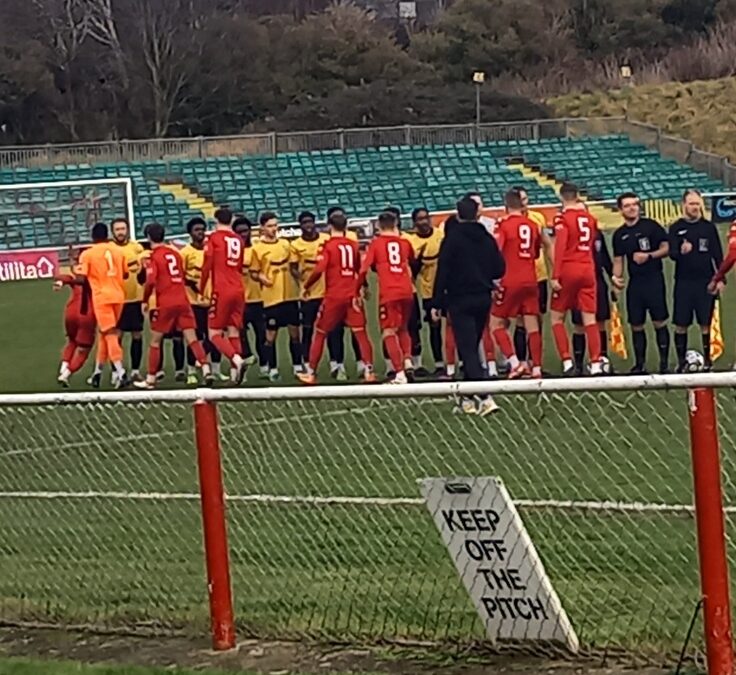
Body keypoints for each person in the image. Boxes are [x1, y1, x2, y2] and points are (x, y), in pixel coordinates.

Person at [432, 197, 505, 415]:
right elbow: (499, 269)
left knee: (468, 348)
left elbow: (442, 271)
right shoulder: (486, 238)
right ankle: (466, 399)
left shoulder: (452, 239)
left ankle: (484, 396)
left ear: (458, 213)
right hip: (482, 297)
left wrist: (436, 302)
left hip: (459, 298)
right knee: (471, 345)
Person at [297, 210, 376, 384]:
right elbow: (359, 269)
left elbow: (319, 269)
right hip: (352, 295)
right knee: (361, 334)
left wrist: (306, 286)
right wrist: (363, 286)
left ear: (329, 226)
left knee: (320, 332)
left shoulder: (328, 246)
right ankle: (369, 371)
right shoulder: (353, 245)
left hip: (334, 296)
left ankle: (311, 373)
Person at [135, 223, 213, 389]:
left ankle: (150, 379)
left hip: (166, 303)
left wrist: (145, 300)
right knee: (192, 338)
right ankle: (206, 369)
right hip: (183, 301)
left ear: (148, 237)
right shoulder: (175, 253)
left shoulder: (153, 256)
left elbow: (150, 281)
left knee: (155, 342)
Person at [612, 192, 671, 374]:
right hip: (635, 284)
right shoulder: (619, 234)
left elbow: (666, 248)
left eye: (635, 204)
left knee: (659, 322)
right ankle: (640, 365)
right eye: (628, 205)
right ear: (621, 210)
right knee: (636, 324)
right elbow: (618, 260)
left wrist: (649, 255)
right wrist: (616, 279)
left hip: (654, 280)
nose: (632, 208)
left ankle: (664, 364)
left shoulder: (650, 226)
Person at [356, 211, 415, 384]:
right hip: (407, 290)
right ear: (396, 224)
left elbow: (363, 269)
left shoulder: (376, 244)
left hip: (389, 292)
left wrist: (359, 287)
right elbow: (412, 259)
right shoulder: (405, 242)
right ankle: (407, 361)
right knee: (403, 328)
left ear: (378, 226)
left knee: (388, 331)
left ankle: (399, 374)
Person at [550, 183, 603, 375]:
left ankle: (567, 361)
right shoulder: (589, 218)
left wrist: (555, 275)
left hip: (569, 268)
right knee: (590, 318)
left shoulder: (562, 219)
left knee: (557, 317)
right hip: (587, 268)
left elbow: (560, 246)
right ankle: (596, 363)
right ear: (578, 196)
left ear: (562, 197)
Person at [490, 190, 543, 380]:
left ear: (506, 206)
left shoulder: (503, 224)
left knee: (495, 323)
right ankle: (536, 367)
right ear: (522, 205)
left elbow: (496, 250)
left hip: (510, 279)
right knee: (532, 324)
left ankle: (515, 363)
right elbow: (536, 253)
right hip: (530, 279)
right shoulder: (533, 225)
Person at [669, 189, 723, 372]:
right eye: (691, 203)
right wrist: (680, 251)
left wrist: (720, 279)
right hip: (683, 283)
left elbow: (717, 254)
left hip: (705, 282)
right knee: (681, 323)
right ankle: (681, 361)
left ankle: (708, 361)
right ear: (684, 205)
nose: (695, 207)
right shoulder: (676, 228)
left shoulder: (708, 227)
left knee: (705, 323)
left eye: (697, 203)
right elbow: (672, 254)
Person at [77, 222, 129, 388]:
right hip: (119, 296)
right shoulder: (118, 251)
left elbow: (81, 277)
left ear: (92, 237)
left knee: (110, 333)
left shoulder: (88, 254)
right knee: (104, 334)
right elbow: (126, 274)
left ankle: (120, 371)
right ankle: (97, 372)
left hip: (102, 297)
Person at [199, 207, 248, 384]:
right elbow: (240, 266)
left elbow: (207, 264)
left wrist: (201, 287)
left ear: (216, 219)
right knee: (233, 329)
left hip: (222, 289)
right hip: (238, 288)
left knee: (214, 333)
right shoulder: (238, 240)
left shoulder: (213, 238)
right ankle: (236, 375)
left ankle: (236, 360)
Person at [252, 211, 302, 381]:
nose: (274, 229)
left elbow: (294, 266)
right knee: (270, 336)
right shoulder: (257, 249)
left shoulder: (286, 245)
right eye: (270, 226)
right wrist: (261, 277)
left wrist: (301, 283)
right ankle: (272, 368)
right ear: (262, 228)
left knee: (295, 334)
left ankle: (297, 366)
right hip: (271, 298)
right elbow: (253, 272)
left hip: (290, 296)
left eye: (275, 225)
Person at [180, 216, 226, 385]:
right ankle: (191, 370)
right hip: (194, 301)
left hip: (212, 299)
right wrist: (193, 287)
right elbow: (181, 275)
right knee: (195, 337)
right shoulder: (185, 253)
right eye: (196, 230)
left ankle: (216, 369)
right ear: (190, 233)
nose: (200, 233)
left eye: (202, 229)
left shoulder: (210, 249)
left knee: (215, 335)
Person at [511, 186, 553, 363]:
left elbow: (547, 244)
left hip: (539, 275)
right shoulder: (508, 222)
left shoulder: (537, 218)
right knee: (521, 320)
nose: (524, 203)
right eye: (521, 200)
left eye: (526, 199)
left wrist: (555, 268)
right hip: (520, 277)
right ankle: (521, 361)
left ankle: (534, 360)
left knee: (538, 319)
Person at [324, 206, 365, 379]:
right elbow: (359, 267)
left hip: (336, 291)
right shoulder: (352, 240)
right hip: (350, 289)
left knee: (336, 329)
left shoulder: (328, 243)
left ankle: (345, 365)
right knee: (353, 329)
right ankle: (359, 365)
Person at [405, 207, 445, 377]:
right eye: (420, 219)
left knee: (449, 326)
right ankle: (425, 363)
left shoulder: (440, 235)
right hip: (426, 289)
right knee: (424, 327)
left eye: (426, 218)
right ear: (414, 222)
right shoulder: (411, 242)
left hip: (445, 287)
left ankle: (447, 362)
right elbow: (411, 268)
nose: (424, 221)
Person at [290, 211, 329, 371]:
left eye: (310, 222)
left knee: (331, 330)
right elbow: (292, 267)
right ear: (300, 225)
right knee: (307, 329)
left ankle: (336, 363)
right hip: (308, 294)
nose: (308, 225)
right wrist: (302, 279)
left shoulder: (325, 240)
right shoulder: (296, 245)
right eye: (304, 222)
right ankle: (306, 361)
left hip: (327, 292)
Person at [570, 230, 613, 374]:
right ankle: (578, 365)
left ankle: (602, 359)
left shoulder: (597, 234)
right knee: (579, 323)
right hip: (578, 282)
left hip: (598, 281)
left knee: (600, 321)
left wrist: (613, 276)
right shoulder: (571, 233)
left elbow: (604, 257)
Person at [110, 218, 146, 381]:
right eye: (117, 229)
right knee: (117, 336)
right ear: (112, 232)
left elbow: (144, 271)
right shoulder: (109, 250)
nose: (120, 232)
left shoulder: (136, 248)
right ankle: (116, 372)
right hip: (117, 299)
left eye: (123, 228)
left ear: (128, 230)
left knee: (137, 335)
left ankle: (135, 370)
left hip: (135, 298)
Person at [55, 248, 96, 387]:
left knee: (72, 341)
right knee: (85, 348)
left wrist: (60, 282)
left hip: (71, 312)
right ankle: (66, 374)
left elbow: (66, 278)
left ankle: (63, 368)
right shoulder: (95, 272)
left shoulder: (75, 272)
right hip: (87, 314)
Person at [232, 216, 266, 376]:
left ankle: (265, 367)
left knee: (262, 335)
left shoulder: (257, 248)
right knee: (240, 336)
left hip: (258, 298)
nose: (243, 234)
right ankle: (244, 364)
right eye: (239, 232)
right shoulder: (232, 251)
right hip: (240, 300)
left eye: (245, 231)